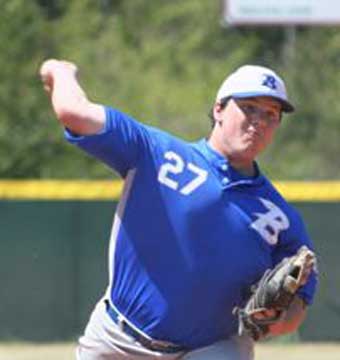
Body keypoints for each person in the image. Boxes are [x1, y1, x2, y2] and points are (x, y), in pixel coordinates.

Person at [39, 59, 317, 360]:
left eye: (271, 114)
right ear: (219, 109)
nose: (259, 120)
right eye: (249, 107)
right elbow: (73, 112)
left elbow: (296, 306)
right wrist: (60, 71)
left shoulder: (281, 219)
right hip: (118, 338)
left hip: (212, 347)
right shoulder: (158, 153)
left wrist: (276, 319)